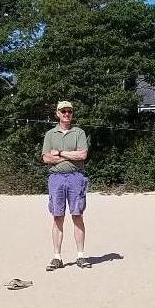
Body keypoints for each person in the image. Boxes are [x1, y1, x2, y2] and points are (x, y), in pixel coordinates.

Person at [41, 100, 90, 270]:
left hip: (76, 177)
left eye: (69, 111)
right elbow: (46, 158)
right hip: (56, 178)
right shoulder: (50, 134)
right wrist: (71, 155)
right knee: (57, 217)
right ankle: (57, 257)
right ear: (57, 114)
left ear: (72, 114)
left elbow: (82, 155)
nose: (67, 114)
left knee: (77, 216)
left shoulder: (79, 132)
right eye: (63, 111)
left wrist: (61, 154)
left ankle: (81, 256)